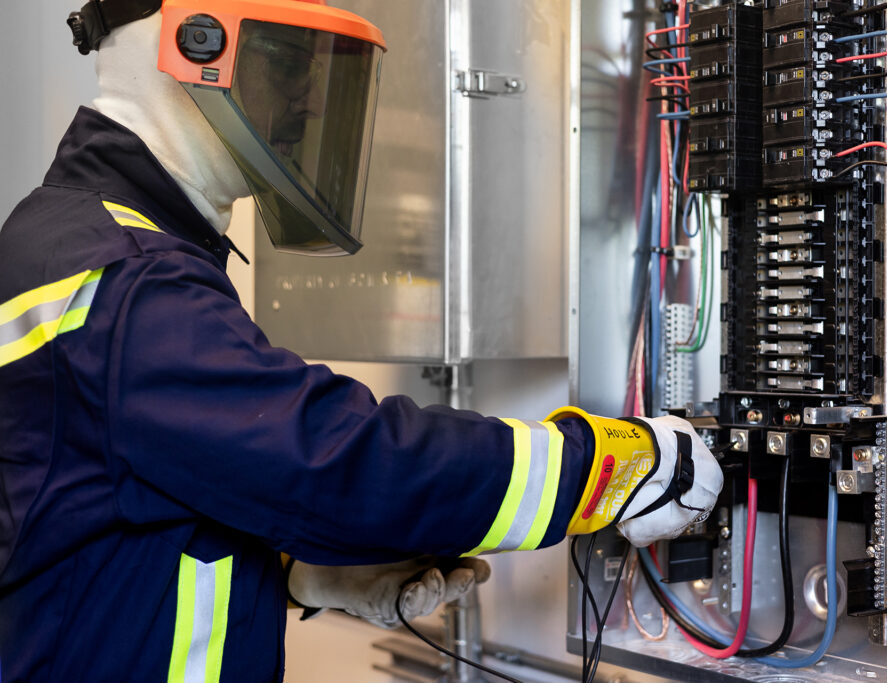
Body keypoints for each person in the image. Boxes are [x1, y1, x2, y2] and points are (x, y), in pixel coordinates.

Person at [0, 1, 724, 680]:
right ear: (196, 41)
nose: (310, 100)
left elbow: (118, 512)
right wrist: (612, 464)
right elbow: (337, 460)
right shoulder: (127, 279)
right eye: (288, 62)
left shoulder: (76, 238)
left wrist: (294, 573)